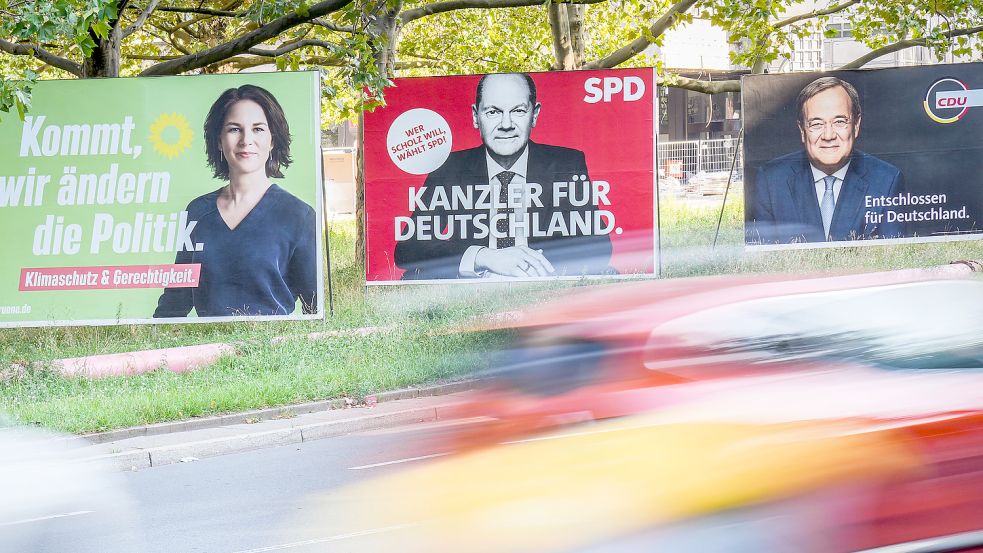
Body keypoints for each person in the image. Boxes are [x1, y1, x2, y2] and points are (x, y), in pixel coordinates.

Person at [394, 72, 613, 280]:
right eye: (493, 112)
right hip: (473, 289)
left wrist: (526, 265)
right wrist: (483, 257)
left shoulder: (565, 163)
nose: (506, 125)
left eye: (518, 111)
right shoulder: (450, 167)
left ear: (534, 115)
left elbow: (599, 246)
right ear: (475, 116)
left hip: (540, 285)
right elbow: (407, 250)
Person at [154, 85, 318, 317]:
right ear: (219, 141)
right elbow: (175, 301)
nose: (246, 140)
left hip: (273, 348)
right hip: (207, 348)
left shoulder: (299, 215)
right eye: (234, 129)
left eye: (258, 129)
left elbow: (315, 305)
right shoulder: (197, 212)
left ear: (273, 140)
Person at [747, 76, 905, 244]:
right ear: (802, 130)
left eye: (839, 122)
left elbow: (890, 256)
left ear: (856, 125)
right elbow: (764, 255)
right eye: (816, 124)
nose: (828, 135)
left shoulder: (887, 180)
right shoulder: (771, 180)